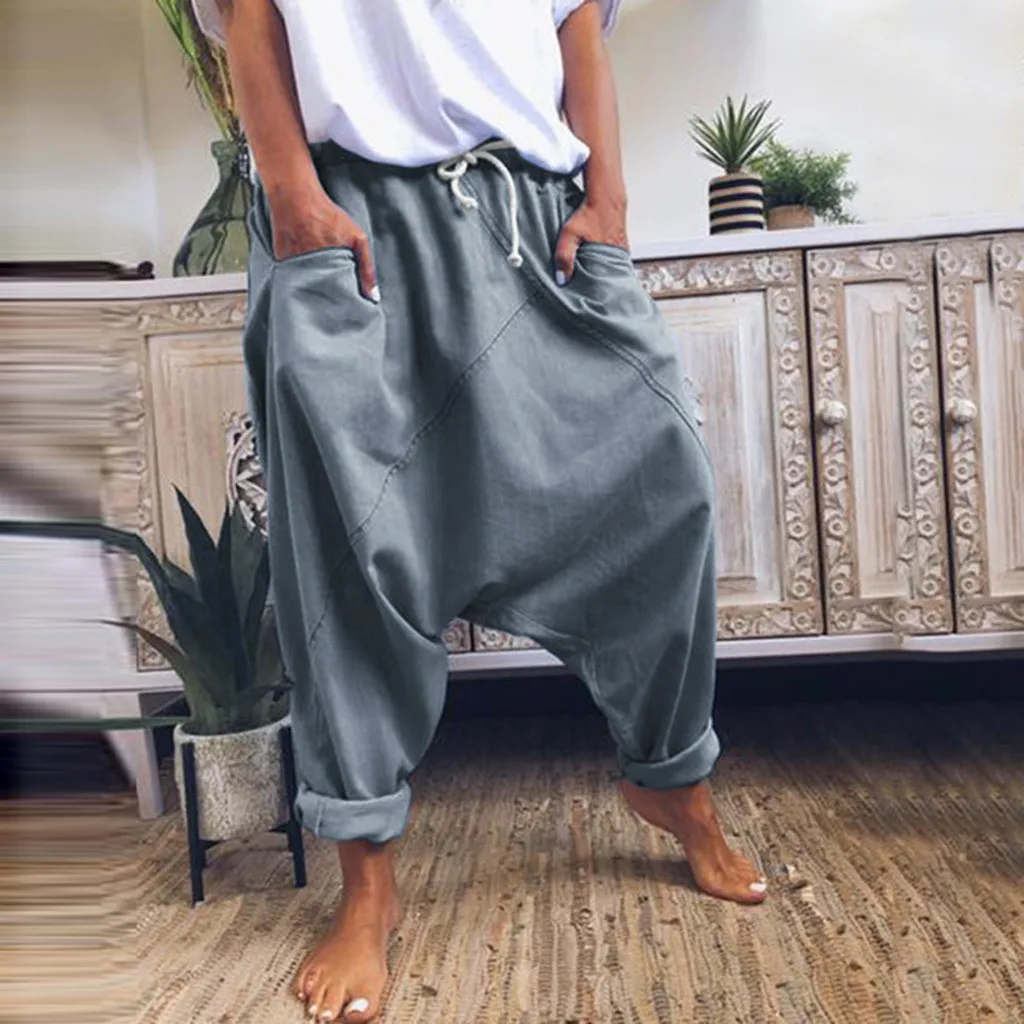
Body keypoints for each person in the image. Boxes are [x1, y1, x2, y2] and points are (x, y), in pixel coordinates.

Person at [194, 1, 768, 1020]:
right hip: (349, 222)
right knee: (349, 556)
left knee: (663, 485)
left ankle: (671, 774)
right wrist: (291, 196)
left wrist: (608, 200)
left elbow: (574, 22)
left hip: (535, 215)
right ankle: (367, 884)